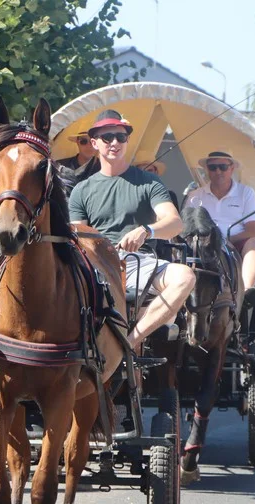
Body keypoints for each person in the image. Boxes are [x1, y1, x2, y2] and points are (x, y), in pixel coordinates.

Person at [68, 109, 195, 352]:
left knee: (186, 276)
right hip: (96, 265)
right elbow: (77, 236)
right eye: (107, 138)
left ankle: (128, 343)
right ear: (94, 143)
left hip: (139, 262)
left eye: (120, 136)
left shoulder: (149, 182)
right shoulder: (81, 190)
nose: (115, 142)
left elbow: (175, 222)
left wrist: (146, 231)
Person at [183, 149, 255, 301]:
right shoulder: (195, 195)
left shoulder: (246, 193)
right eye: (213, 167)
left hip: (235, 244)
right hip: (202, 245)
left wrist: (224, 239)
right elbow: (187, 228)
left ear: (232, 168)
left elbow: (253, 230)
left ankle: (246, 291)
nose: (218, 171)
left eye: (223, 167)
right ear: (207, 170)